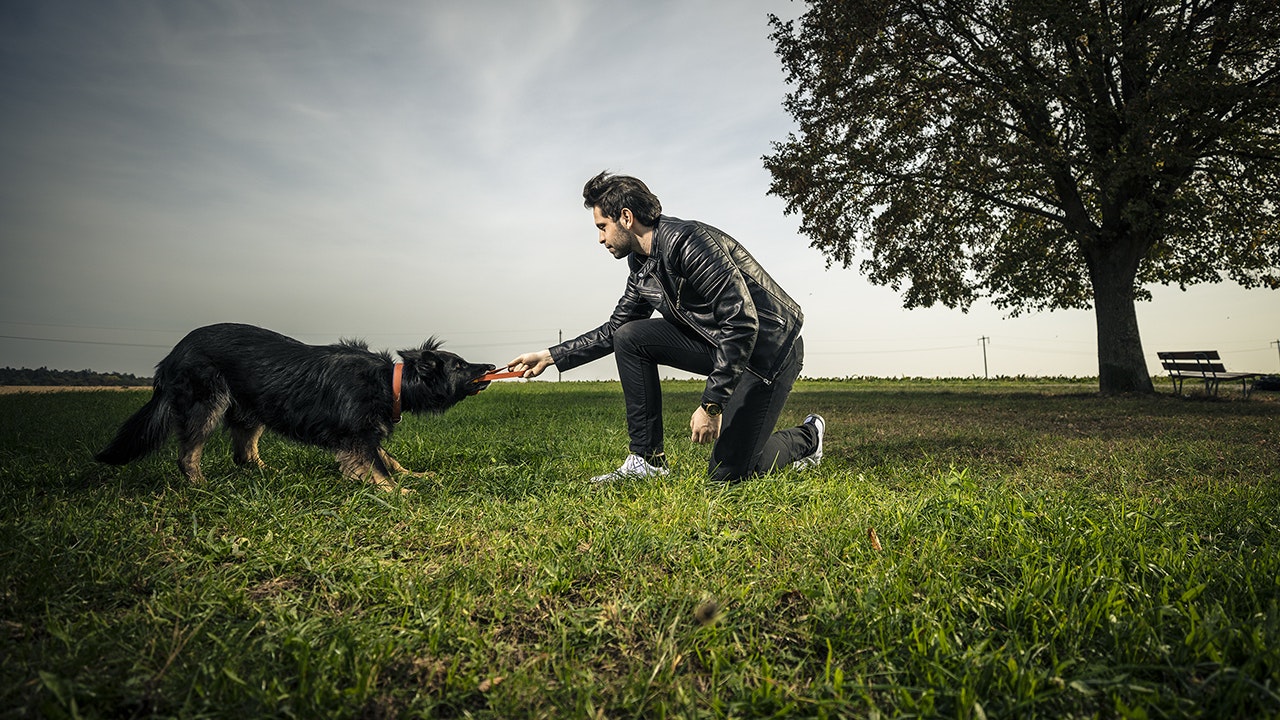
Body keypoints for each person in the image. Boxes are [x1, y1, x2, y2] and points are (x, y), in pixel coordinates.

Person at [508, 171, 824, 484]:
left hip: (767, 353)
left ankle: (808, 437)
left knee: (727, 476)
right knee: (629, 336)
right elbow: (616, 328)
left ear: (626, 218)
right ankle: (648, 460)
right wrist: (550, 356)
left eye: (603, 227)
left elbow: (741, 321)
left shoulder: (689, 242)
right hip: (720, 346)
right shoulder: (642, 266)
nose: (601, 238)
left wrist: (712, 404)